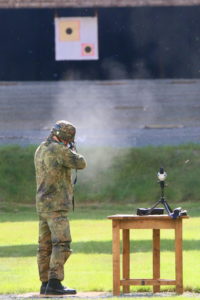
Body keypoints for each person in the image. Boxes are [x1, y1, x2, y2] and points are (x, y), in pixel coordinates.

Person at [34, 120, 86, 295]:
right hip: (57, 204)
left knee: (44, 245)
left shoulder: (41, 148)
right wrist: (71, 148)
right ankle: (55, 282)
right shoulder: (60, 150)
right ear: (66, 136)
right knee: (62, 243)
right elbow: (81, 163)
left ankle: (45, 284)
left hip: (42, 205)